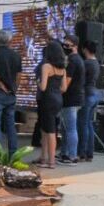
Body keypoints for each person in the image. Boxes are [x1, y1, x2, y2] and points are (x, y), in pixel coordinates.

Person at [0, 29, 22, 155]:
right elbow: (19, 75)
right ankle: (13, 153)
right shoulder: (16, 55)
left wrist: (0, 84)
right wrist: (14, 88)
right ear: (10, 41)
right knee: (10, 125)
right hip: (11, 94)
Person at [36, 41, 69, 169]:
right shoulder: (62, 69)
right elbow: (64, 88)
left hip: (47, 99)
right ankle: (44, 158)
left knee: (49, 131)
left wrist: (38, 81)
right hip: (58, 98)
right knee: (47, 128)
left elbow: (43, 87)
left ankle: (51, 161)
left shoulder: (46, 67)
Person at [59, 35, 86, 164]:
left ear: (75, 46)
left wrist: (58, 90)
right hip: (75, 98)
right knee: (66, 128)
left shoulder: (73, 61)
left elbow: (66, 83)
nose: (65, 47)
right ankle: (64, 153)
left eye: (67, 45)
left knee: (70, 128)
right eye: (64, 44)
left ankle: (72, 156)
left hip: (71, 98)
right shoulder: (77, 59)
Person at [78, 40, 102, 162]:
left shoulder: (85, 63)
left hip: (86, 95)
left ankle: (82, 153)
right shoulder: (96, 62)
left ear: (85, 49)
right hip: (94, 94)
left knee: (83, 125)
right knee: (88, 124)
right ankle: (89, 153)